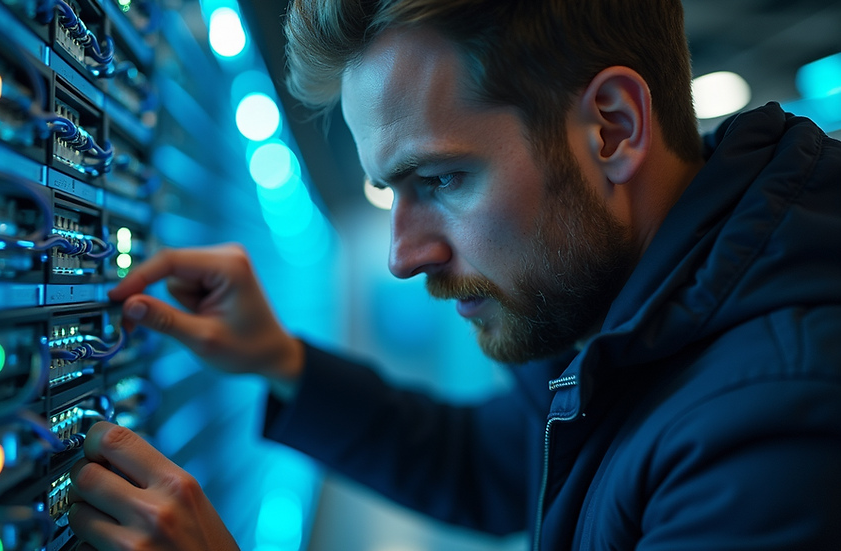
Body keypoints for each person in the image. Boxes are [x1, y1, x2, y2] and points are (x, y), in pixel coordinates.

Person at [65, 0, 841, 549]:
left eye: (438, 180)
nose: (404, 255)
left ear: (613, 128)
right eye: (389, 192)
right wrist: (280, 360)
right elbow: (495, 463)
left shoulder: (777, 424)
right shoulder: (636, 305)